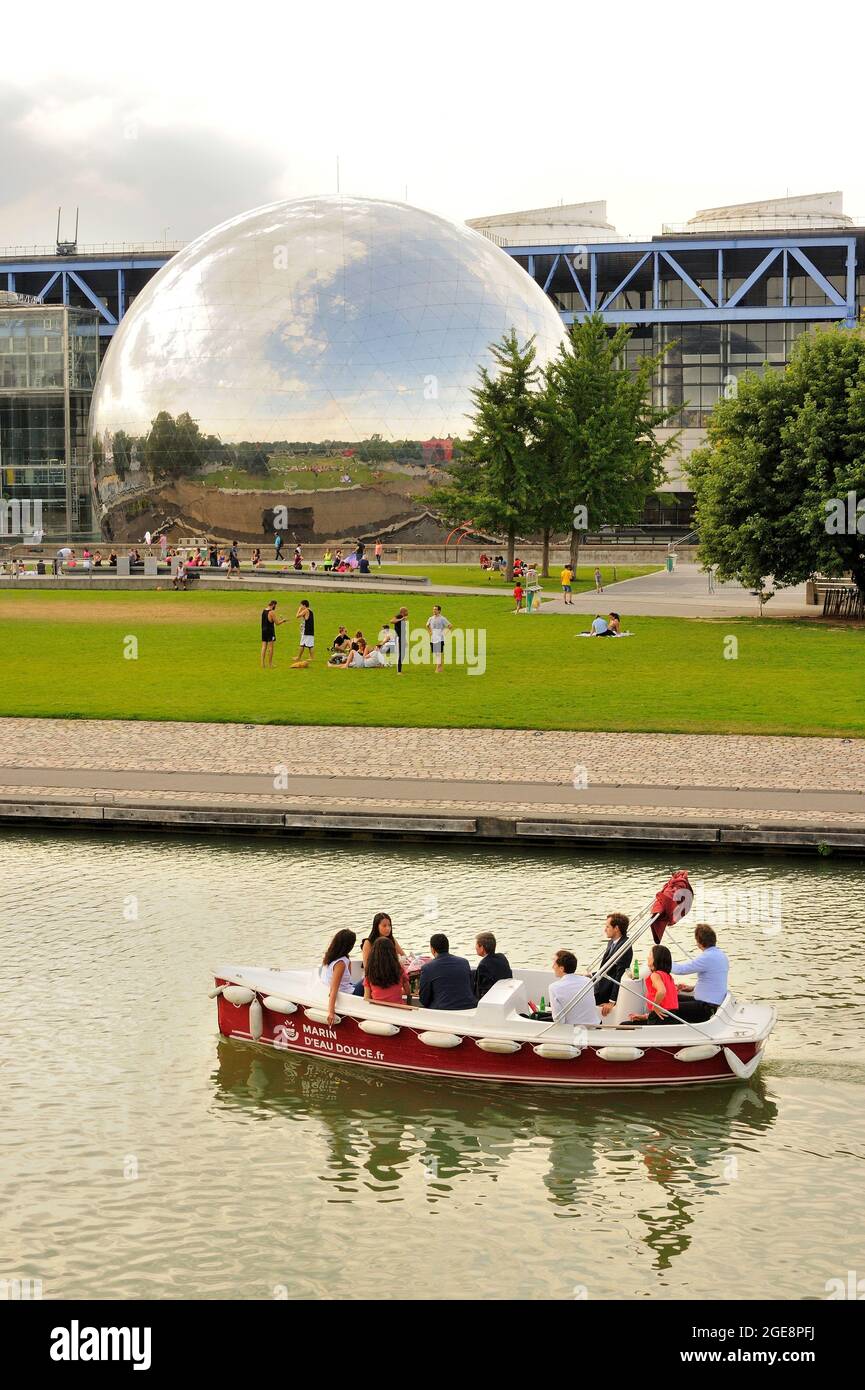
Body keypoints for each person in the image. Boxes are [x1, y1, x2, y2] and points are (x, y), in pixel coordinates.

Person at [670, 924, 729, 1020]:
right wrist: (692, 988)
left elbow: (681, 970)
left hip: (706, 1007)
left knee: (669, 1006)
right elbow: (713, 980)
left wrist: (662, 960)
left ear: (699, 942)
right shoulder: (721, 954)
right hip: (711, 1003)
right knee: (671, 998)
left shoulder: (707, 957)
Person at [532, 950, 600, 1026]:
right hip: (595, 1025)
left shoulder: (554, 988)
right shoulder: (588, 981)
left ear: (561, 968)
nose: (552, 967)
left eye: (554, 964)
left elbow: (559, 1021)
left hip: (574, 1031)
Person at [419, 934, 476, 1011]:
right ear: (448, 947)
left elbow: (423, 1000)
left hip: (444, 1010)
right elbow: (470, 987)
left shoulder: (427, 968)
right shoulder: (464, 962)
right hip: (469, 1006)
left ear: (433, 949)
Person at [593, 912, 633, 1016]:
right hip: (601, 983)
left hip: (606, 991)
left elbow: (618, 975)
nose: (605, 929)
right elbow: (606, 968)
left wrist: (612, 1001)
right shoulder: (612, 942)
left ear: (616, 928)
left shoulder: (624, 947)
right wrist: (592, 975)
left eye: (607, 926)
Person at [629, 944, 680, 1024]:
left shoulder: (655, 975)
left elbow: (662, 991)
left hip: (659, 1019)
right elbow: (666, 1006)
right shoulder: (668, 976)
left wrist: (655, 1006)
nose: (647, 957)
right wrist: (644, 1016)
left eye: (650, 955)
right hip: (671, 1017)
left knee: (624, 1025)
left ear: (656, 959)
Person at [322, 928, 358, 1025]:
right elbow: (334, 989)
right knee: (369, 979)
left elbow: (348, 980)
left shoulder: (332, 957)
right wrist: (331, 1012)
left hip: (348, 987)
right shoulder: (340, 963)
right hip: (348, 993)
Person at [364, 936, 412, 1008]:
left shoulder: (370, 971)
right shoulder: (399, 969)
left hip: (378, 1010)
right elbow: (408, 992)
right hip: (398, 1009)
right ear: (392, 952)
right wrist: (396, 991)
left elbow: (367, 998)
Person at [473, 931, 512, 1001]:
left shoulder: (483, 965)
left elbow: (481, 991)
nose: (475, 947)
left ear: (482, 947)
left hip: (493, 998)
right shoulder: (502, 957)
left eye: (476, 945)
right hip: (505, 994)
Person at [426, 605, 451, 674]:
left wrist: (444, 633)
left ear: (439, 611)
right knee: (436, 654)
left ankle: (437, 669)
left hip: (440, 639)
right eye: (433, 609)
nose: (434, 610)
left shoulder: (442, 619)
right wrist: (430, 632)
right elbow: (427, 625)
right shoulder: (431, 618)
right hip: (433, 639)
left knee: (438, 653)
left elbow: (450, 626)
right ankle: (441, 668)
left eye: (436, 609)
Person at [260, 600, 284, 668]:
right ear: (273, 605)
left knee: (264, 647)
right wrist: (283, 620)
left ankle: (262, 664)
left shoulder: (264, 610)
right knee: (271, 648)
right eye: (275, 605)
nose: (275, 607)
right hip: (270, 631)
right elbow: (277, 623)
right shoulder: (272, 612)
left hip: (263, 630)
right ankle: (270, 664)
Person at [393, 606, 408, 674]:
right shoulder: (399, 616)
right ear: (403, 612)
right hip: (398, 638)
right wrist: (401, 619)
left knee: (403, 654)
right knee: (400, 654)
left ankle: (400, 669)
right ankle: (398, 671)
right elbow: (392, 621)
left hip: (402, 638)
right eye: (406, 611)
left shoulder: (404, 618)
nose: (407, 612)